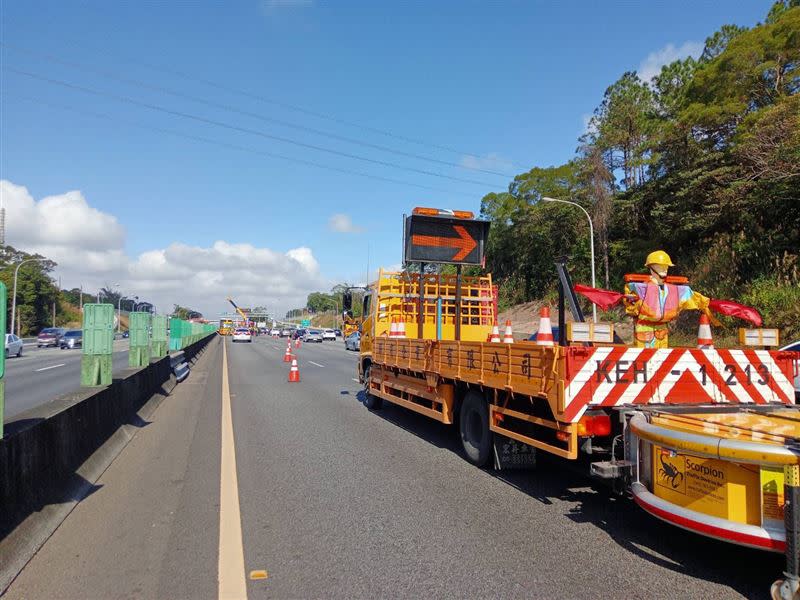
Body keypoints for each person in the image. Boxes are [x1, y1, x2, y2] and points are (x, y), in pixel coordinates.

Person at [623, 250, 711, 348]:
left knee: (663, 360)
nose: (665, 270)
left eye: (666, 267)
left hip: (662, 331)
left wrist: (709, 303)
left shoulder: (674, 290)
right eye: (660, 267)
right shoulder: (639, 288)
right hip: (644, 330)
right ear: (651, 268)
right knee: (644, 360)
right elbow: (631, 306)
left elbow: (694, 298)